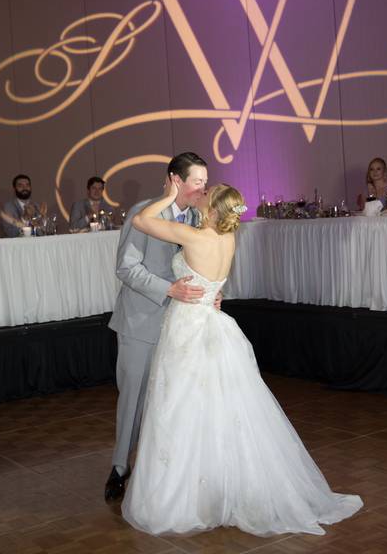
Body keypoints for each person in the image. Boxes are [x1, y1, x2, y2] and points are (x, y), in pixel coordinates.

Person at [121, 180, 363, 536]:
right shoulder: (227, 238)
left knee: (183, 409)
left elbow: (141, 220)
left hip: (188, 329)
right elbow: (213, 284)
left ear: (214, 209)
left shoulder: (195, 237)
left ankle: (189, 498)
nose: (199, 195)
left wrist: (169, 197)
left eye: (205, 194)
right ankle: (220, 488)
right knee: (223, 409)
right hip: (214, 323)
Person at [105, 152, 208, 503]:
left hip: (179, 325)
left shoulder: (197, 218)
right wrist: (168, 289)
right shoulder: (143, 213)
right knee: (133, 401)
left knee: (171, 401)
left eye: (205, 184)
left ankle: (163, 473)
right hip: (140, 323)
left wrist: (210, 293)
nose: (202, 190)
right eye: (197, 182)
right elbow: (126, 268)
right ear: (176, 180)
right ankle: (120, 467)